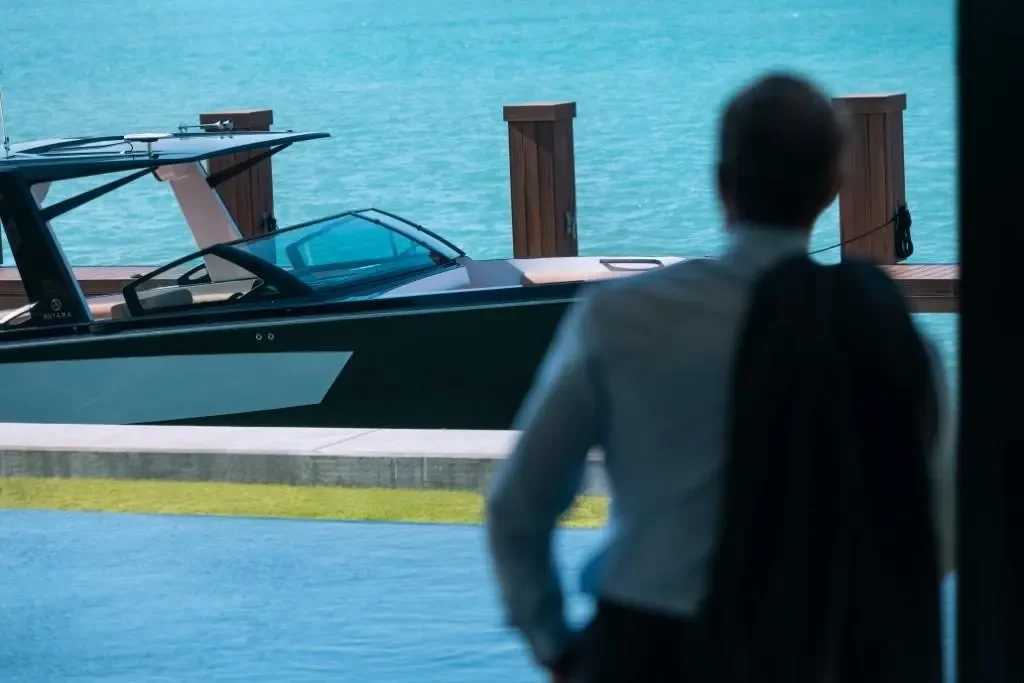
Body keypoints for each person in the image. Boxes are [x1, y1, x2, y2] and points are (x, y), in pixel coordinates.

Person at [484, 71, 956, 682]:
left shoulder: (622, 316)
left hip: (647, 647)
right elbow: (939, 522)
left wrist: (554, 645)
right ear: (832, 188)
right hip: (822, 650)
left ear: (721, 184)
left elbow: (518, 506)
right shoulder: (888, 333)